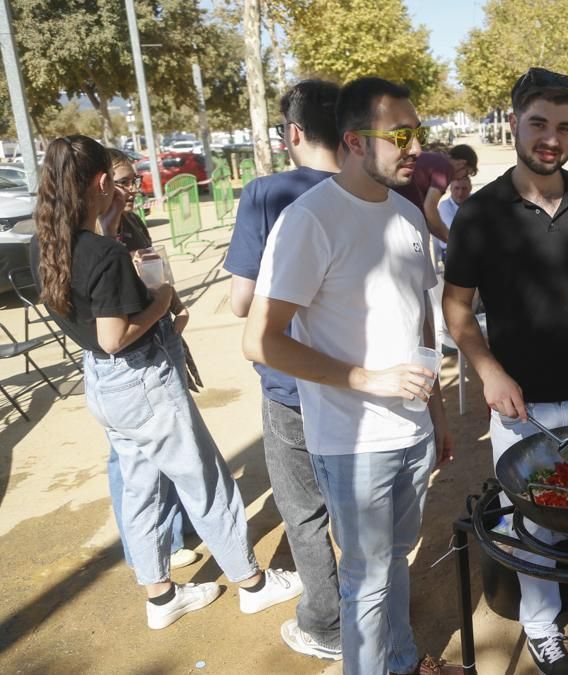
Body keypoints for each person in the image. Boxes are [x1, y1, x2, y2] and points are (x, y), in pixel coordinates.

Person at [34, 135, 301, 630]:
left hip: (104, 384)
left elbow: (96, 325)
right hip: (140, 380)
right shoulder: (103, 256)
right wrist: (161, 297)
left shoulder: (48, 243)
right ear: (99, 181)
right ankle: (253, 585)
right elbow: (114, 336)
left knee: (140, 488)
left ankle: (161, 597)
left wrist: (110, 230)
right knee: (204, 479)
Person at [242, 77, 461, 674]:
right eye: (401, 135)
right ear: (354, 142)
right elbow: (259, 341)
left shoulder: (409, 217)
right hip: (353, 442)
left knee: (393, 560)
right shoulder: (308, 220)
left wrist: (436, 415)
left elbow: (421, 324)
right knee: (364, 580)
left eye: (419, 133)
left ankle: (402, 659)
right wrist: (368, 380)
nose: (416, 147)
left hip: (414, 433)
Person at [443, 67, 568, 675]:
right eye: (538, 124)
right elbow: (456, 311)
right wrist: (489, 373)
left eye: (563, 126)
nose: (550, 138)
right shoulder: (478, 214)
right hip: (522, 404)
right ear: (514, 124)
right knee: (535, 522)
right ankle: (540, 627)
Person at [224, 79, 344, 660]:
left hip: (291, 385)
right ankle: (375, 611)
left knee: (304, 512)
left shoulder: (266, 194)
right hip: (356, 382)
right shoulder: (371, 194)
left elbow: (241, 302)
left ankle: (326, 624)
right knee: (357, 507)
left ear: (293, 133)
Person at [100, 148, 198, 573]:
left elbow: (156, 269)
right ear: (100, 184)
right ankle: (151, 547)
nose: (132, 189)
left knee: (175, 438)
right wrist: (160, 306)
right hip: (128, 359)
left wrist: (174, 305)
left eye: (134, 180)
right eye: (123, 181)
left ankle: (177, 528)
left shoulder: (131, 223)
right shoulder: (93, 240)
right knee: (131, 457)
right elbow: (108, 333)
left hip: (158, 340)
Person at [396, 143, 479, 244]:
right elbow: (430, 210)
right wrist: (451, 239)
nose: (460, 178)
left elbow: (428, 218)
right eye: (466, 173)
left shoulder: (437, 160)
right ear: (462, 163)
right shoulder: (445, 167)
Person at [435, 175, 472, 263]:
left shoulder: (477, 201)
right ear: (450, 189)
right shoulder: (444, 206)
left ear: (470, 189)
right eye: (457, 188)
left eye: (464, 188)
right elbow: (456, 234)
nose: (460, 193)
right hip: (452, 252)